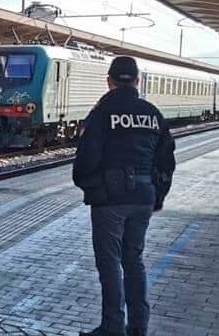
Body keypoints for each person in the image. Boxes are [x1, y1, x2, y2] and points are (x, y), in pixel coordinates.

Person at [73, 56, 176, 336]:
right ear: (138, 81)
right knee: (134, 260)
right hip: (143, 197)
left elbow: (85, 161)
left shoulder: (102, 114)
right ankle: (139, 325)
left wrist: (95, 190)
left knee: (109, 264)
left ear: (109, 81)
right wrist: (157, 195)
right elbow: (166, 161)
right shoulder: (153, 114)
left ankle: (112, 327)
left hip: (110, 201)